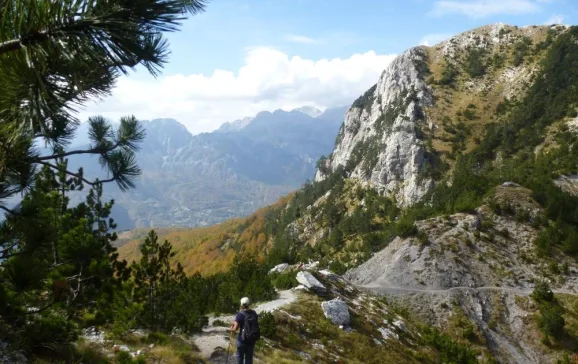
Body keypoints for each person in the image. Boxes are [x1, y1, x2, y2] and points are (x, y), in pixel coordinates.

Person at [229, 297, 259, 364]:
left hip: (242, 340)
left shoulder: (240, 314)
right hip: (251, 340)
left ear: (241, 305)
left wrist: (230, 328)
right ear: (249, 304)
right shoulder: (254, 313)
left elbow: (235, 329)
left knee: (240, 358)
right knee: (249, 359)